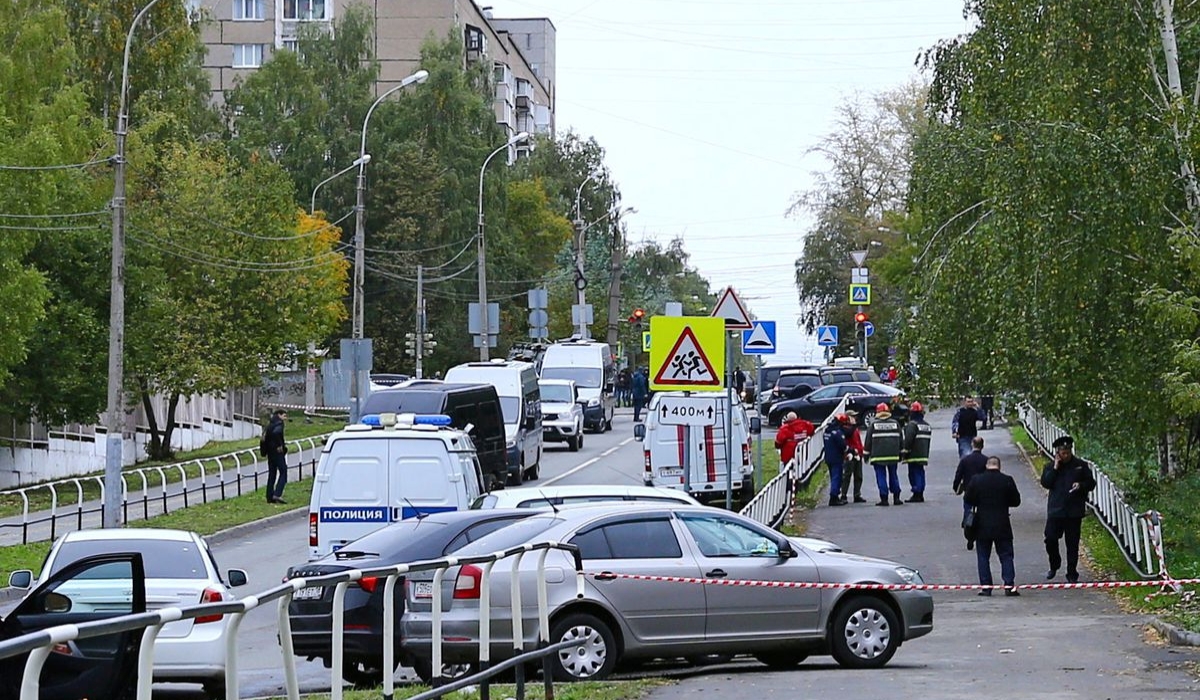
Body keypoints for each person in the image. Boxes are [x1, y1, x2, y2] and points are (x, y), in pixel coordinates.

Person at [1041, 435, 1096, 583]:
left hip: (1073, 511)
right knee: (1050, 539)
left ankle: (1072, 572)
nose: (1066, 455)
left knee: (1072, 543)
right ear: (1057, 453)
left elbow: (1091, 483)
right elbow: (1046, 483)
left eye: (1068, 452)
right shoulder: (1050, 466)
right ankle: (1054, 563)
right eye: (1063, 453)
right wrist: (1055, 468)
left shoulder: (1080, 465)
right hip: (1056, 510)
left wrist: (1081, 485)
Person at [964, 455, 1022, 596]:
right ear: (999, 466)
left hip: (982, 524)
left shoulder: (977, 480)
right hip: (1002, 523)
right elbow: (1016, 501)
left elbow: (968, 499)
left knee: (983, 556)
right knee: (1006, 555)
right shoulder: (1007, 480)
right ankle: (1009, 585)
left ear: (986, 466)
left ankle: (986, 587)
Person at [863, 402, 903, 506]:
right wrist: (901, 453)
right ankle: (896, 497)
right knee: (893, 475)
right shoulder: (895, 423)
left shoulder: (873, 425)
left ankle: (884, 498)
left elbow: (868, 442)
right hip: (893, 455)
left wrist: (866, 455)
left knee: (881, 476)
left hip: (878, 456)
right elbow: (901, 440)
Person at [953, 436, 988, 548]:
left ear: (972, 445)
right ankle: (981, 532)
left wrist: (955, 486)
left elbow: (959, 474)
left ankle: (969, 532)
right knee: (983, 512)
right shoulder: (986, 460)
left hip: (969, 490)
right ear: (982, 446)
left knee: (968, 510)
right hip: (983, 491)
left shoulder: (965, 460)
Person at [900, 401, 932, 502]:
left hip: (913, 454)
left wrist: (905, 452)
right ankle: (920, 492)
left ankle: (916, 493)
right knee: (920, 473)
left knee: (914, 474)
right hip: (923, 454)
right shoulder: (927, 425)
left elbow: (908, 440)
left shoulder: (912, 425)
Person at [821, 414, 849, 507]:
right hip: (837, 458)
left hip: (828, 457)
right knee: (837, 478)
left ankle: (835, 495)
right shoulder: (837, 433)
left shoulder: (827, 431)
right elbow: (843, 445)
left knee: (833, 477)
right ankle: (834, 497)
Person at [839, 411, 867, 503]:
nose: (855, 418)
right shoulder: (845, 428)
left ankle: (857, 494)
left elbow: (858, 441)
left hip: (858, 453)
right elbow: (848, 436)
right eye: (853, 416)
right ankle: (843, 494)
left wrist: (861, 451)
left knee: (858, 475)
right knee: (847, 475)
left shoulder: (855, 429)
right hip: (850, 454)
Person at [264, 409, 289, 504]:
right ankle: (277, 494)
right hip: (277, 452)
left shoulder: (269, 424)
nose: (285, 418)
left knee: (272, 474)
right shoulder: (279, 423)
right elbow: (276, 433)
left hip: (270, 453)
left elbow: (264, 437)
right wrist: (280, 445)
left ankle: (269, 496)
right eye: (284, 416)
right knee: (283, 472)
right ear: (279, 415)